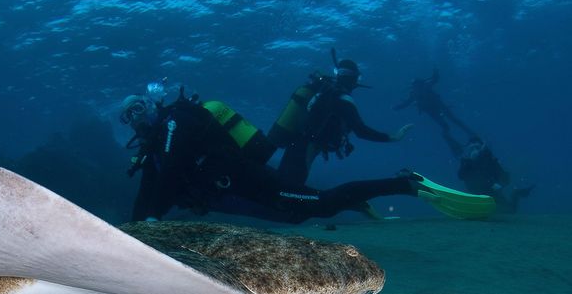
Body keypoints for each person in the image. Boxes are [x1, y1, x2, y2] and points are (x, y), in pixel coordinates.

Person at [120, 84, 495, 223]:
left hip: (245, 180)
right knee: (298, 216)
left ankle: (406, 184)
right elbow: (150, 187)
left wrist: (149, 224)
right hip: (229, 194)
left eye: (138, 108)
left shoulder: (173, 123)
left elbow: (168, 174)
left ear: (152, 105)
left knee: (318, 204)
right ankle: (361, 200)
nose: (134, 119)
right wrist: (134, 230)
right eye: (126, 116)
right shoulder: (152, 147)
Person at [266, 50, 413, 188]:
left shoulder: (323, 90)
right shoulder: (343, 99)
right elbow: (361, 132)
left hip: (296, 141)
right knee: (289, 189)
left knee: (282, 183)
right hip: (306, 148)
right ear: (355, 78)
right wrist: (393, 137)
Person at [393, 68, 478, 156]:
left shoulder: (425, 86)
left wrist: (436, 71)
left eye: (418, 87)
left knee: (453, 120)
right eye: (416, 87)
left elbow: (435, 79)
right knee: (446, 126)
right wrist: (398, 107)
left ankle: (471, 135)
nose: (418, 89)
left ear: (421, 85)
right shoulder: (415, 93)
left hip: (438, 106)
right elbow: (406, 103)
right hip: (432, 111)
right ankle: (456, 141)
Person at [457, 139, 532, 213]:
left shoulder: (490, 160)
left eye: (477, 147)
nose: (474, 150)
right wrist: (466, 163)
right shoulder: (466, 162)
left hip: (491, 193)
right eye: (472, 148)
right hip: (474, 193)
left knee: (510, 211)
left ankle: (516, 193)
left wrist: (498, 184)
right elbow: (461, 176)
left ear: (482, 149)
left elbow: (504, 177)